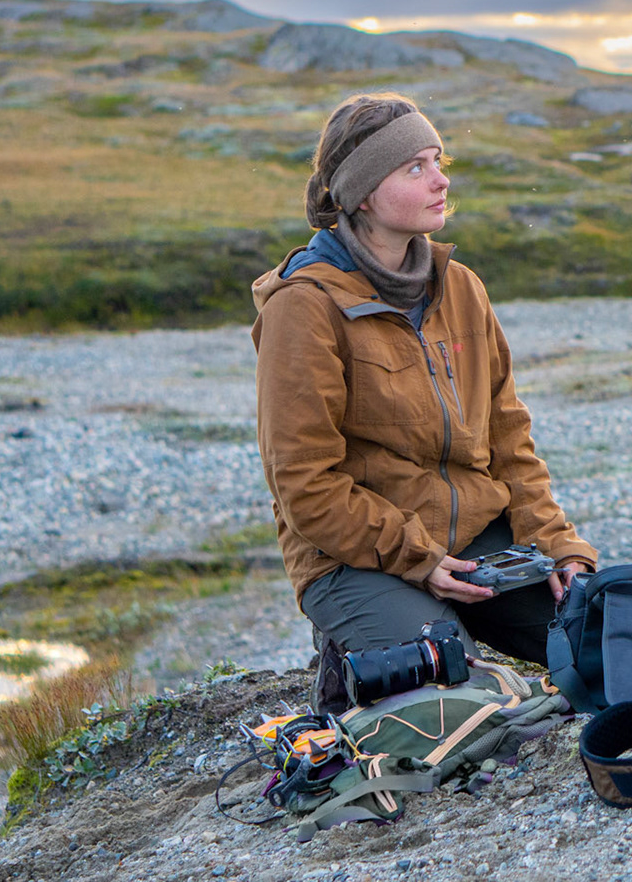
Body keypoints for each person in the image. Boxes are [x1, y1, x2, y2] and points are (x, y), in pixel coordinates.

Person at [251, 92, 596, 705]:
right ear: (361, 194)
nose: (440, 181)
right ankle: (368, 640)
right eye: (415, 167)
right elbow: (304, 484)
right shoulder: (303, 308)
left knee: (605, 636)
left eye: (438, 161)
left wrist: (558, 547)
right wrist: (417, 559)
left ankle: (436, 624)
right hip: (355, 555)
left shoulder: (460, 287)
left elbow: (509, 441)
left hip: (473, 543)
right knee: (450, 683)